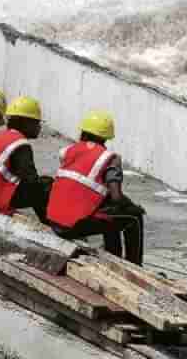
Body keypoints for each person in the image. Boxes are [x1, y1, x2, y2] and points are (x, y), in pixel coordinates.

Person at [46, 111, 145, 266]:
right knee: (133, 217)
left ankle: (114, 254)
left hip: (53, 220)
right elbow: (117, 197)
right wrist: (132, 206)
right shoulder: (109, 158)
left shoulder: (69, 151)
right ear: (106, 137)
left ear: (83, 132)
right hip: (72, 226)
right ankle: (136, 265)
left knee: (109, 211)